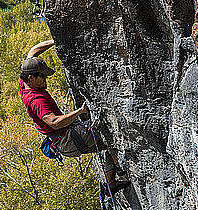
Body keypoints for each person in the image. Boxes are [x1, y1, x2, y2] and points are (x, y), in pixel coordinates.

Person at [19, 39, 130, 195]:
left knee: (105, 143)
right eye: (42, 76)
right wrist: (80, 111)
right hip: (68, 139)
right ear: (31, 78)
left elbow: (34, 50)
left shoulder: (25, 76)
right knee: (108, 129)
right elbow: (54, 122)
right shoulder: (36, 100)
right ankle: (120, 166)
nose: (45, 79)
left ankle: (111, 183)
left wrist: (56, 39)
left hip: (65, 140)